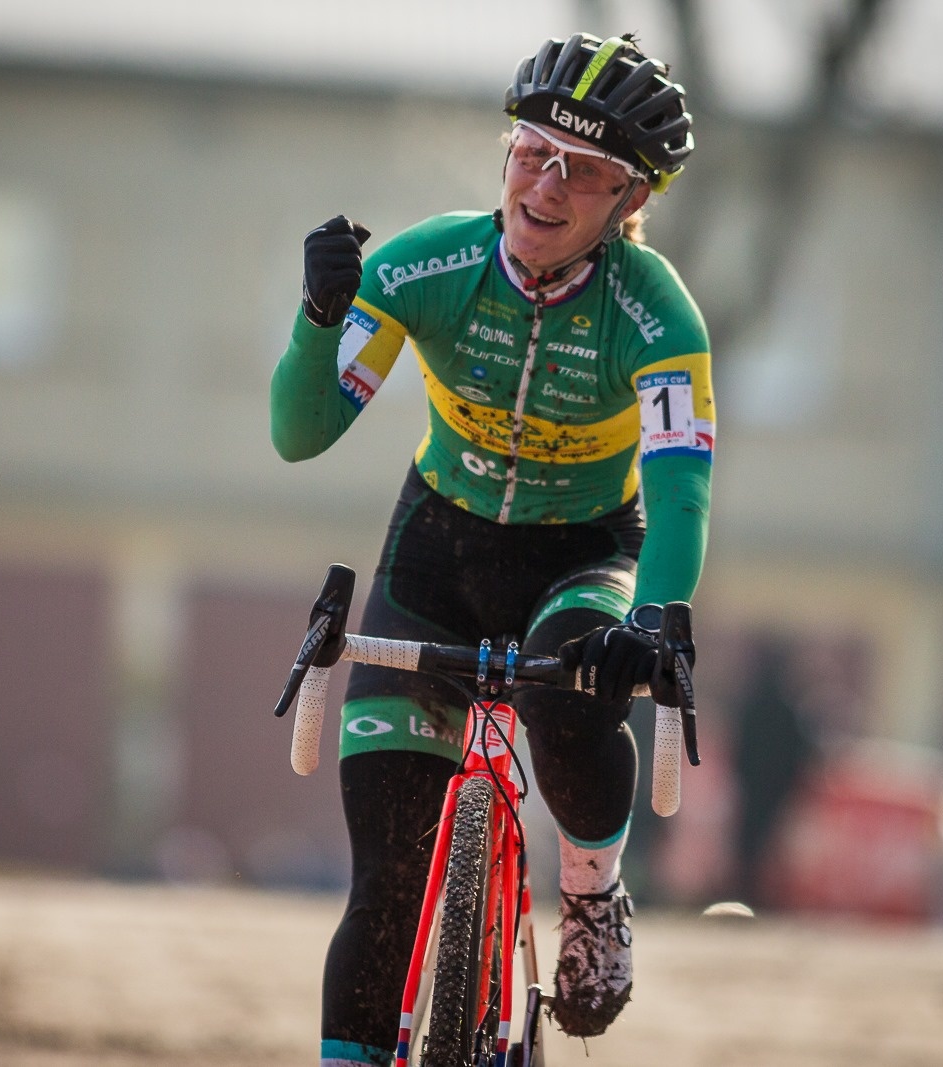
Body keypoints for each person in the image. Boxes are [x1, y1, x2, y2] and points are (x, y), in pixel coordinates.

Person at [270, 32, 711, 1066]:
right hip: (437, 552)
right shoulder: (426, 265)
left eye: (585, 171)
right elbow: (300, 433)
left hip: (581, 557)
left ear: (630, 198)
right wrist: (318, 318)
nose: (547, 185)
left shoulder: (654, 313)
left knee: (571, 691)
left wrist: (656, 619)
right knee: (386, 879)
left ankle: (592, 891)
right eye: (532, 152)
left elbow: (681, 490)